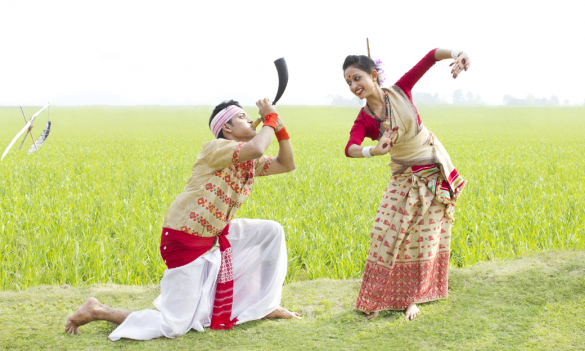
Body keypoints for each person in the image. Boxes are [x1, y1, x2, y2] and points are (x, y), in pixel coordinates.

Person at [66, 98, 300, 340]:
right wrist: (270, 119)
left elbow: (287, 164)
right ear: (227, 128)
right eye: (242, 116)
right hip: (184, 241)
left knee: (271, 231)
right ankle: (97, 309)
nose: (251, 119)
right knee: (173, 325)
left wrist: (280, 129)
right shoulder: (215, 148)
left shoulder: (248, 160)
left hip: (215, 235)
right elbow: (258, 148)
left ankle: (263, 305)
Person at [343, 48, 470, 320]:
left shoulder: (401, 90)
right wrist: (374, 151)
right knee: (383, 233)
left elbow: (431, 56)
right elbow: (350, 147)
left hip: (432, 170)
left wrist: (459, 53)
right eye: (348, 83)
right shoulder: (365, 118)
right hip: (403, 175)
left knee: (422, 237)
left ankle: (411, 299)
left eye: (357, 78)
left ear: (373, 75)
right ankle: (375, 299)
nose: (354, 86)